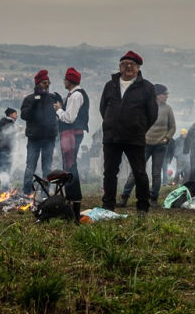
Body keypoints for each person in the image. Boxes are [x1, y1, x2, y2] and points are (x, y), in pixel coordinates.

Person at [99, 50, 158, 213]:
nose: (128, 67)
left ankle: (142, 207)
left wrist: (138, 127)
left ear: (138, 68)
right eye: (125, 64)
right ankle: (108, 206)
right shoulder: (110, 85)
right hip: (112, 137)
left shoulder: (147, 87)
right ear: (120, 67)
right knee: (110, 173)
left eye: (132, 64)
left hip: (135, 137)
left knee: (139, 173)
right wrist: (111, 123)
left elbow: (152, 114)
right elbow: (103, 108)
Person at [122, 83, 175, 205]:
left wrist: (167, 138)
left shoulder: (167, 109)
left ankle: (153, 198)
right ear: (157, 95)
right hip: (144, 144)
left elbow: (172, 127)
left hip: (160, 146)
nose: (166, 96)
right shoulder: (145, 107)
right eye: (164, 94)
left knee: (156, 173)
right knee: (136, 170)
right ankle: (125, 196)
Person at [19, 70, 62, 194]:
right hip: (34, 138)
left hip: (49, 138)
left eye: (48, 82)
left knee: (47, 167)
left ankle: (45, 193)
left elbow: (60, 113)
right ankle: (26, 192)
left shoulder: (52, 98)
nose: (47, 85)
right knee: (30, 167)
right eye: (44, 83)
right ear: (38, 84)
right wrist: (35, 103)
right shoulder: (29, 99)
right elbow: (24, 115)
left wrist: (61, 102)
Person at [57, 67, 90, 173]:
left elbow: (69, 118)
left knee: (70, 164)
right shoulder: (75, 94)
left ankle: (72, 189)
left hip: (72, 134)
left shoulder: (75, 96)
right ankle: (72, 189)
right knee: (70, 164)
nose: (64, 82)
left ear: (69, 81)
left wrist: (58, 110)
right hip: (72, 133)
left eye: (65, 79)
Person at [0, 108, 17, 176]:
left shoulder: (5, 121)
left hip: (3, 149)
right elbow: (7, 135)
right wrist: (18, 131)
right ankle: (1, 184)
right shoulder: (7, 122)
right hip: (4, 149)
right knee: (3, 168)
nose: (17, 116)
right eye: (15, 114)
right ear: (10, 114)